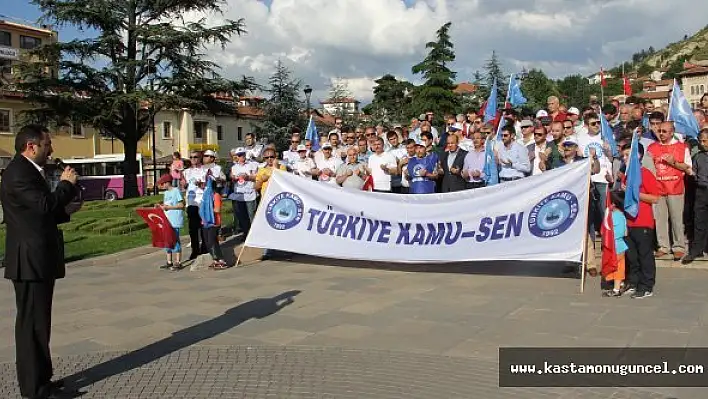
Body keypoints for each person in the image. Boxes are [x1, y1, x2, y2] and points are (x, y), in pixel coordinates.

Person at [1, 124, 79, 399]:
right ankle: (35, 390)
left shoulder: (29, 171)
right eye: (47, 145)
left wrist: (65, 208)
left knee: (40, 323)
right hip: (29, 259)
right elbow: (44, 205)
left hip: (38, 255)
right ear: (31, 147)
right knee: (32, 326)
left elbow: (38, 214)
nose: (51, 150)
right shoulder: (19, 173)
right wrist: (67, 185)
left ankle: (43, 379)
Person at [602, 190, 628, 297]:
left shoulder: (611, 216)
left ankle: (616, 289)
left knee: (615, 267)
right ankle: (620, 284)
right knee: (620, 267)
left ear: (612, 204)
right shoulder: (622, 215)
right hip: (621, 245)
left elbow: (607, 231)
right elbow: (625, 232)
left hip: (614, 246)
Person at [157, 174, 184, 271]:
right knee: (167, 241)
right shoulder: (166, 193)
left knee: (175, 240)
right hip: (167, 220)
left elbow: (181, 205)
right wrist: (161, 206)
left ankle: (178, 262)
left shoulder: (176, 191)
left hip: (175, 220)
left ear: (168, 182)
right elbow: (166, 205)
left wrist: (169, 208)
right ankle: (169, 261)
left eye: (163, 184)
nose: (162, 186)